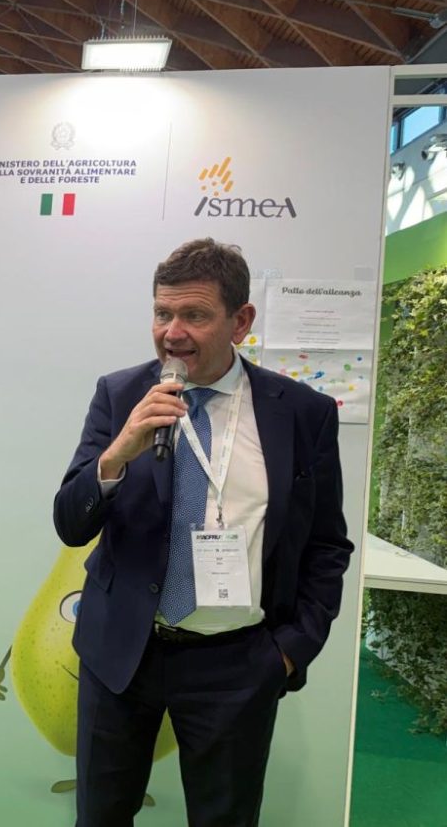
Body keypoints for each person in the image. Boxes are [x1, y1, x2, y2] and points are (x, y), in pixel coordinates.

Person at [53, 238, 353, 827]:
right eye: (162, 313)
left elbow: (326, 544)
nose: (173, 333)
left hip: (237, 663)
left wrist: (289, 652)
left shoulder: (301, 412)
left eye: (194, 315)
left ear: (240, 321)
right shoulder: (121, 395)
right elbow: (70, 522)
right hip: (122, 654)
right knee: (100, 817)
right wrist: (117, 454)